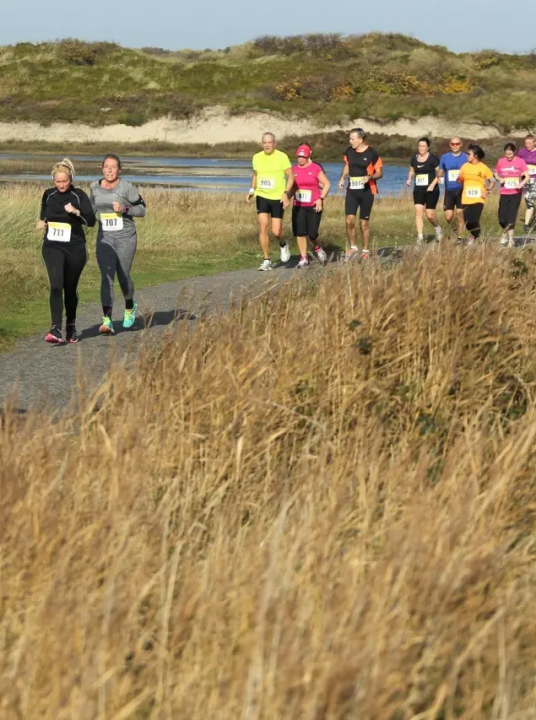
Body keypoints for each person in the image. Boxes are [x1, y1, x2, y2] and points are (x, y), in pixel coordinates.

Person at [37, 158, 96, 344]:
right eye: (58, 181)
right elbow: (44, 216)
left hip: (75, 248)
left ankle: (70, 324)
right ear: (53, 180)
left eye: (65, 181)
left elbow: (91, 221)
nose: (61, 185)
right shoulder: (48, 195)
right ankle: (55, 328)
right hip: (52, 246)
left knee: (70, 289)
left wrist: (76, 212)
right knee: (56, 285)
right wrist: (41, 222)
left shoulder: (79, 195)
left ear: (71, 179)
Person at [90, 155, 146, 334]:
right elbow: (91, 211)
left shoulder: (126, 187)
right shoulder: (94, 187)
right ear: (102, 168)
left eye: (113, 167)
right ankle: (107, 320)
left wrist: (125, 209)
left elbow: (142, 210)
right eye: (106, 167)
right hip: (104, 237)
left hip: (126, 237)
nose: (109, 170)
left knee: (123, 276)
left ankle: (130, 305)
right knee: (106, 277)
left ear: (119, 170)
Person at [247, 133, 294, 271]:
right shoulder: (257, 157)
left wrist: (286, 194)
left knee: (276, 231)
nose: (267, 145)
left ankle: (283, 244)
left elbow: (291, 175)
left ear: (274, 143)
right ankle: (266, 260)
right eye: (265, 142)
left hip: (277, 198)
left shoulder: (282, 157)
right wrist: (251, 189)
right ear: (262, 144)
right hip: (262, 195)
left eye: (270, 142)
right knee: (263, 227)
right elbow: (256, 174)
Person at [338, 128, 383, 261]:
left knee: (363, 224)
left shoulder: (372, 152)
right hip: (352, 191)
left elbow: (380, 173)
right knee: (349, 221)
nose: (350, 141)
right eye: (349, 138)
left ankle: (365, 250)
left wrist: (370, 177)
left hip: (367, 191)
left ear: (360, 139)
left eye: (352, 139)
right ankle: (353, 247)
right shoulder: (349, 151)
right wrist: (342, 178)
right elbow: (347, 165)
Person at [289, 143, 331, 269]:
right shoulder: (294, 170)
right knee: (300, 232)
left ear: (308, 156)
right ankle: (303, 258)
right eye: (298, 156)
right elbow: (292, 188)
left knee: (312, 233)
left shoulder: (315, 168)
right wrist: (286, 198)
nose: (300, 159)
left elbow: (327, 184)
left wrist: (320, 198)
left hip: (313, 204)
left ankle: (317, 247)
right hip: (298, 204)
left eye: (303, 156)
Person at [406, 137, 442, 245]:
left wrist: (432, 185)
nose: (421, 148)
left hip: (432, 190)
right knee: (418, 212)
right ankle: (420, 237)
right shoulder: (414, 158)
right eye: (420, 146)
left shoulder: (433, 159)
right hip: (418, 189)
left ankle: (438, 229)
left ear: (428, 147)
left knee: (430, 215)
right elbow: (412, 170)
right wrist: (409, 178)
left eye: (423, 146)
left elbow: (440, 173)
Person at [458, 144, 495, 245]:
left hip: (479, 198)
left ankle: (475, 236)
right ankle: (476, 235)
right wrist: (458, 178)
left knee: (473, 220)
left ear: (476, 156)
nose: (467, 156)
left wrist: (488, 189)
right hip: (466, 198)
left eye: (469, 154)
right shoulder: (465, 166)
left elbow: (492, 180)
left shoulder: (483, 168)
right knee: (467, 222)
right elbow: (459, 180)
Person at [494, 143, 529, 247]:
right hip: (504, 192)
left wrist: (521, 184)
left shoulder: (520, 161)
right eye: (506, 154)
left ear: (514, 152)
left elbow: (527, 176)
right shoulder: (501, 161)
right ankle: (505, 232)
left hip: (516, 193)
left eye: (510, 154)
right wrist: (499, 178)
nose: (508, 156)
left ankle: (510, 240)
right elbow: (495, 173)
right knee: (502, 218)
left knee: (511, 217)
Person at [438, 137, 468, 240]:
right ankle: (455, 230)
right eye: (453, 144)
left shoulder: (467, 157)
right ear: (450, 145)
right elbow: (441, 170)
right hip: (449, 191)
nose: (455, 146)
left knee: (460, 215)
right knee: (448, 216)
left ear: (461, 144)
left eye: (457, 144)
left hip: (462, 190)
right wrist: (439, 177)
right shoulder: (444, 157)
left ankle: (461, 237)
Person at [516, 134, 536, 232]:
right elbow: (516, 164)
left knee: (531, 201)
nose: (528, 145)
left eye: (530, 143)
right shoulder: (521, 152)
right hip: (525, 180)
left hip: (535, 179)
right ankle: (528, 223)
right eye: (526, 143)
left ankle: (526, 224)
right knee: (528, 200)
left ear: (534, 143)